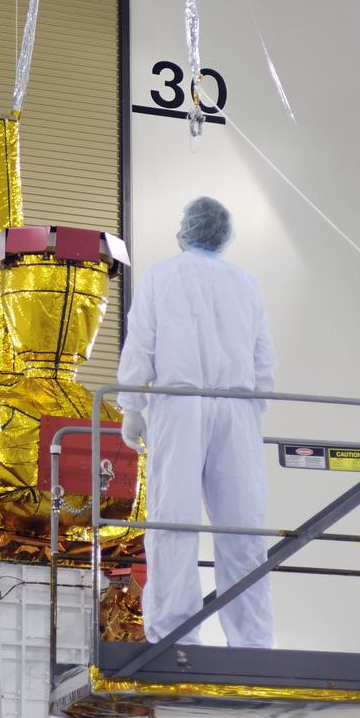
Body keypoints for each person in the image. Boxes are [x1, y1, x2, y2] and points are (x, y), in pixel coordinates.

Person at [117, 197, 275, 648]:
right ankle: (253, 641)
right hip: (236, 407)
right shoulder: (245, 284)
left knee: (173, 521)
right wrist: (255, 406)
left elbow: (141, 343)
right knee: (242, 526)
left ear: (185, 229)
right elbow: (264, 355)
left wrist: (132, 405)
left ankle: (174, 635)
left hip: (179, 405)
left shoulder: (162, 277)